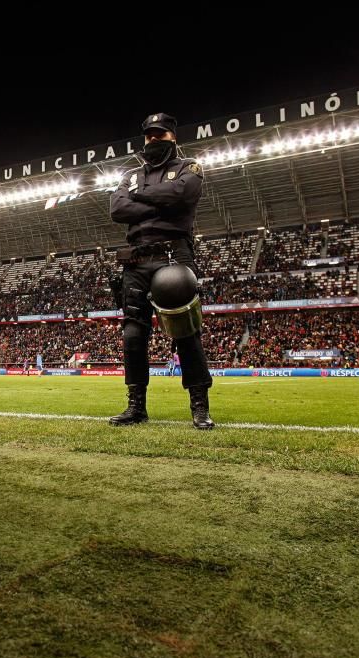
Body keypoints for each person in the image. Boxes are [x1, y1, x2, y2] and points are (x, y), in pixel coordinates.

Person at [108, 112, 214, 429]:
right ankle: (136, 407)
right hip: (135, 260)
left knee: (185, 331)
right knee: (133, 335)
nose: (154, 140)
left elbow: (183, 194)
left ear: (172, 137)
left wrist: (139, 197)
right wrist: (162, 203)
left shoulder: (188, 167)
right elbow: (117, 208)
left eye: (161, 135)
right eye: (150, 135)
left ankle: (200, 407)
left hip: (173, 255)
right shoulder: (130, 174)